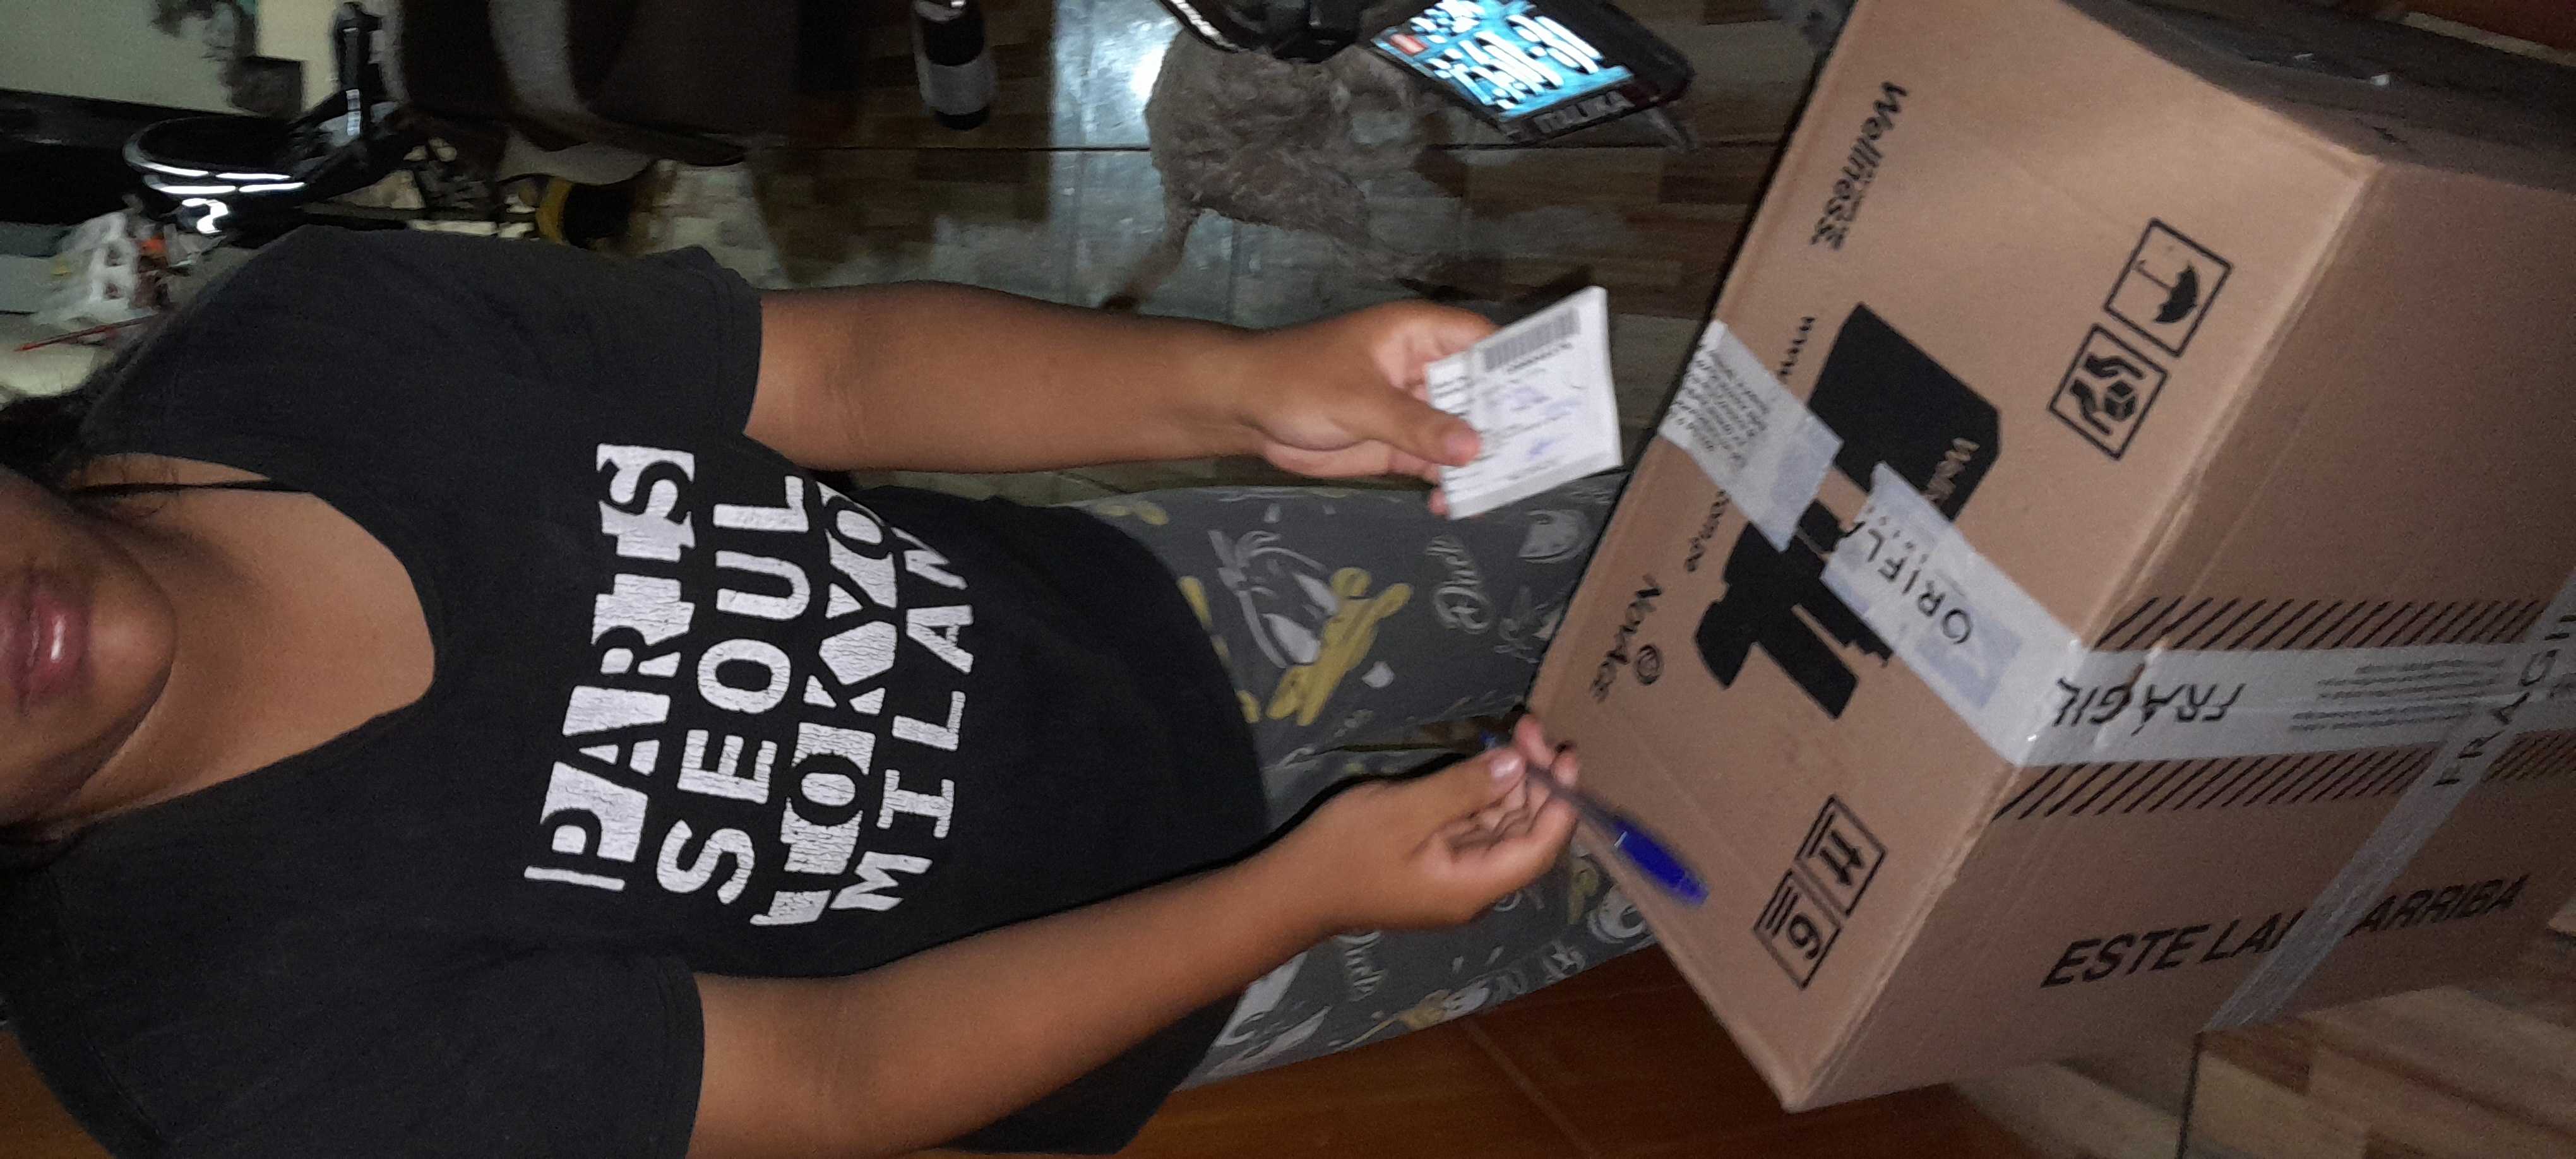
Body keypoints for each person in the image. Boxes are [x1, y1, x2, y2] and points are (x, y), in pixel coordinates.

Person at [0, 227, 1649, 1158]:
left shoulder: (313, 342)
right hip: (1179, 964)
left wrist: (1242, 383)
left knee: (1690, 588)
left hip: (1160, 603)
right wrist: (1295, 896)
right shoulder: (214, 1046)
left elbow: (838, 373)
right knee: (1670, 860)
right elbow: (833, 1072)